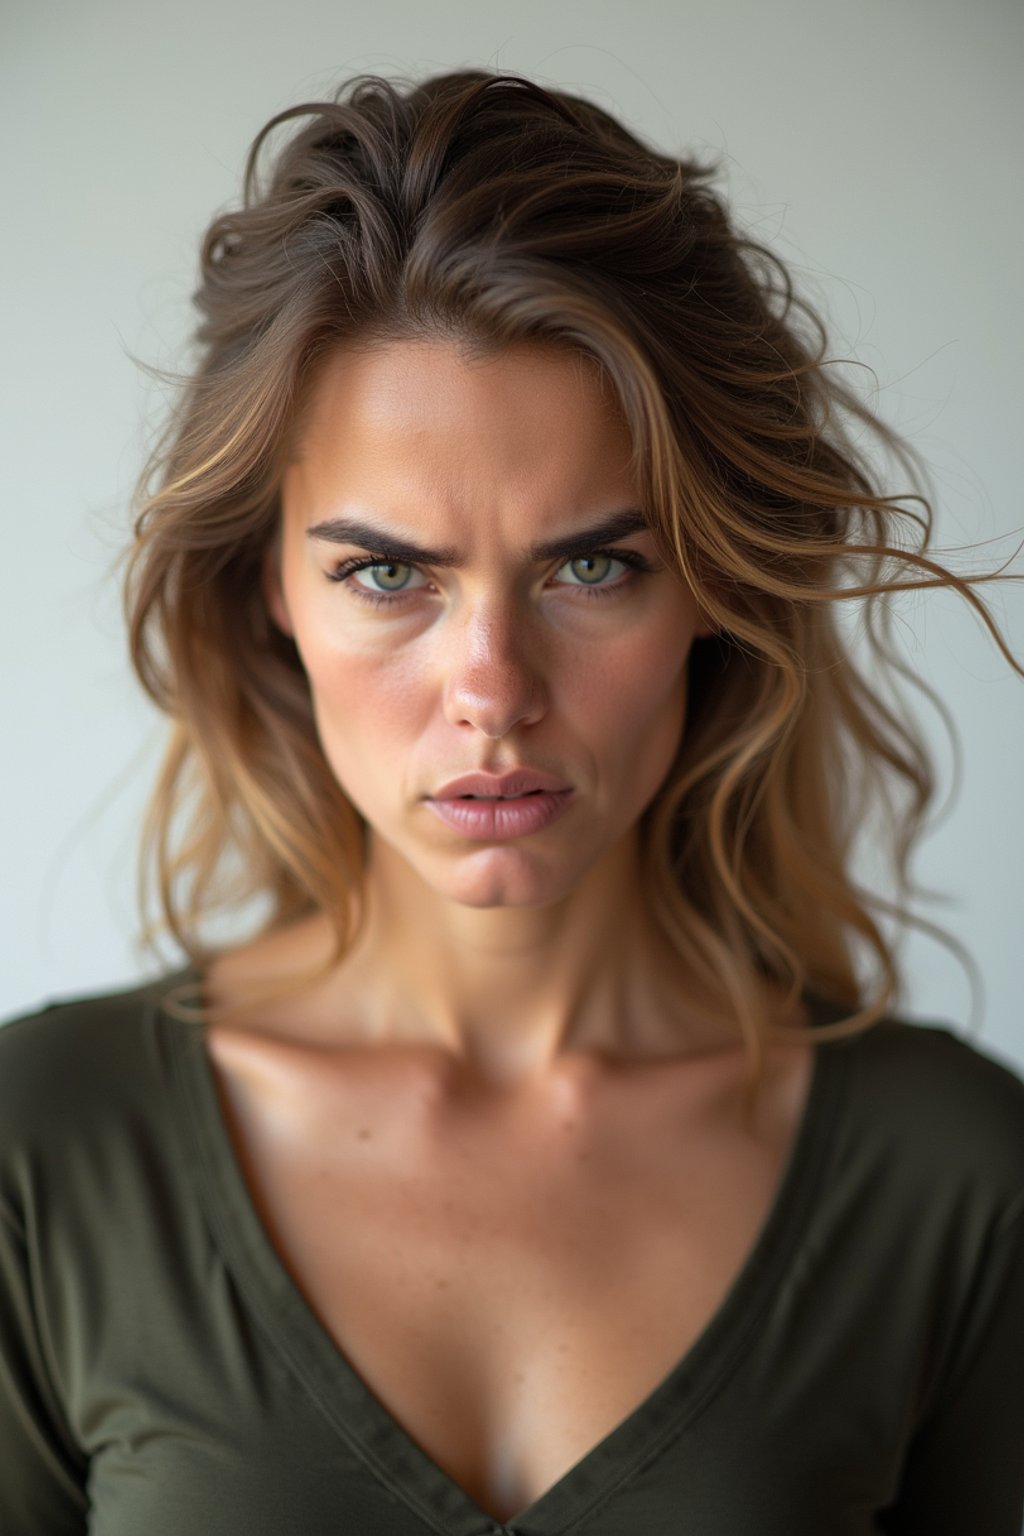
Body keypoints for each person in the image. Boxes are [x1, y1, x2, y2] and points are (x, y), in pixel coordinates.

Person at [1, 67, 1022, 1536]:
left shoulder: (956, 1183)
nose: (493, 687)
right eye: (387, 572)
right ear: (268, 589)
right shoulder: (49, 1152)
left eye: (592, 566)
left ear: (714, 595)